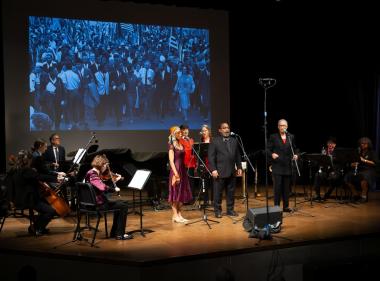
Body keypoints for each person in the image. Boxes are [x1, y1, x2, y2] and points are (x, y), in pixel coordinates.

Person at [85, 154, 133, 240]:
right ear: (102, 164)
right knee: (123, 206)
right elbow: (102, 187)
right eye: (106, 165)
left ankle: (115, 233)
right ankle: (120, 234)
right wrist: (114, 189)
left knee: (123, 203)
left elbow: (101, 185)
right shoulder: (92, 174)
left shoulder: (92, 173)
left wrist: (115, 180)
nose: (106, 168)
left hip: (96, 202)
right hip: (97, 204)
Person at [11, 150, 58, 236]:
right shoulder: (26, 170)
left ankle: (39, 227)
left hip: (22, 197)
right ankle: (36, 227)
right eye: (31, 160)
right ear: (28, 160)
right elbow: (39, 176)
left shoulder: (17, 169)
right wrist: (56, 178)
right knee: (50, 211)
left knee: (45, 205)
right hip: (28, 199)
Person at [208, 122, 242, 218]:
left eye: (227, 128)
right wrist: (213, 169)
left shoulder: (234, 140)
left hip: (231, 171)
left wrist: (239, 167)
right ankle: (218, 211)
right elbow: (211, 157)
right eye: (224, 128)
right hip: (219, 171)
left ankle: (230, 210)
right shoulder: (215, 141)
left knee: (231, 192)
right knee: (218, 193)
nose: (227, 129)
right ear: (220, 130)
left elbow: (237, 155)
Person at [267, 119, 299, 212]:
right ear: (278, 127)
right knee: (277, 188)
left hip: (287, 166)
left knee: (286, 189)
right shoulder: (273, 137)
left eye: (284, 125)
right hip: (277, 166)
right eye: (280, 125)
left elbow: (295, 149)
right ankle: (276, 207)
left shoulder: (291, 137)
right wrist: (272, 154)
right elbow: (267, 149)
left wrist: (296, 155)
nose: (282, 127)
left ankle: (286, 207)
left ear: (287, 127)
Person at [168, 126, 193, 223]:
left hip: (182, 170)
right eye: (178, 133)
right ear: (173, 134)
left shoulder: (181, 143)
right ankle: (174, 215)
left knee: (181, 193)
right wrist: (175, 174)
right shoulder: (171, 145)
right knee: (175, 194)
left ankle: (179, 214)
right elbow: (171, 161)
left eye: (180, 132)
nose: (180, 134)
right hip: (176, 170)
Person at [345, 137, 378, 203]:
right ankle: (355, 195)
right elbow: (354, 160)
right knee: (347, 177)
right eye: (361, 143)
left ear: (368, 144)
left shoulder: (372, 152)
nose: (362, 145)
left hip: (369, 169)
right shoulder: (358, 152)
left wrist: (364, 160)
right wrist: (352, 164)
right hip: (360, 169)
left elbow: (375, 163)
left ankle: (364, 197)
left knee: (364, 178)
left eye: (364, 144)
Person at [312, 137, 341, 201]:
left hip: (334, 171)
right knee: (318, 175)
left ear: (335, 145)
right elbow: (320, 161)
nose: (330, 145)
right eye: (329, 143)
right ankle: (317, 195)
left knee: (334, 178)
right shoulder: (324, 150)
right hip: (325, 170)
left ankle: (328, 193)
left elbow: (340, 163)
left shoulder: (338, 152)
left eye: (332, 143)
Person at [179, 124, 197, 196]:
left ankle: (191, 197)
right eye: (184, 129)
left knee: (191, 181)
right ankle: (184, 198)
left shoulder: (191, 140)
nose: (186, 131)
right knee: (184, 182)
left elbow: (193, 152)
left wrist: (195, 164)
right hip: (183, 164)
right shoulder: (179, 140)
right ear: (181, 131)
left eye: (187, 129)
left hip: (191, 164)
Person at [199, 124, 213, 204]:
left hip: (212, 165)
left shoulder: (212, 140)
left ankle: (213, 200)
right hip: (204, 165)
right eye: (203, 131)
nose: (204, 132)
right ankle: (206, 201)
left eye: (205, 130)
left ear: (209, 131)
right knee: (205, 184)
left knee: (213, 184)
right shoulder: (201, 141)